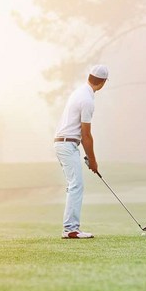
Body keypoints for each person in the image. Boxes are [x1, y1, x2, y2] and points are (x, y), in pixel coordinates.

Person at [54, 64, 108, 239]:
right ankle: (70, 229)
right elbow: (86, 135)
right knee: (76, 185)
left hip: (66, 144)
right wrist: (93, 160)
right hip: (67, 144)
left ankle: (70, 227)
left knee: (75, 185)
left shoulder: (79, 92)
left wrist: (88, 157)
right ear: (103, 83)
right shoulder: (87, 100)